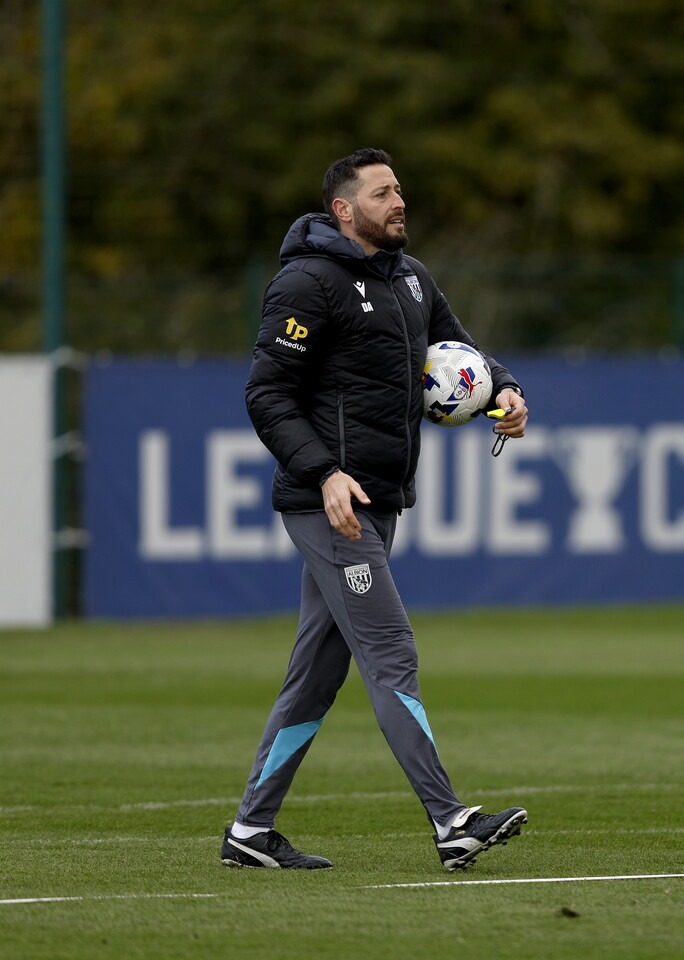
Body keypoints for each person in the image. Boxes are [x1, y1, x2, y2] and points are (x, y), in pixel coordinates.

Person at [221, 148, 530, 871]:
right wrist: (324, 472)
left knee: (316, 676)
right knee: (391, 654)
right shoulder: (306, 282)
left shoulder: (412, 278)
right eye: (383, 193)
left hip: (381, 502)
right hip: (331, 506)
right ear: (343, 210)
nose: (399, 202)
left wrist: (507, 391)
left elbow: (468, 352)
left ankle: (250, 832)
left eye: (400, 190)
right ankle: (451, 821)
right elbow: (265, 395)